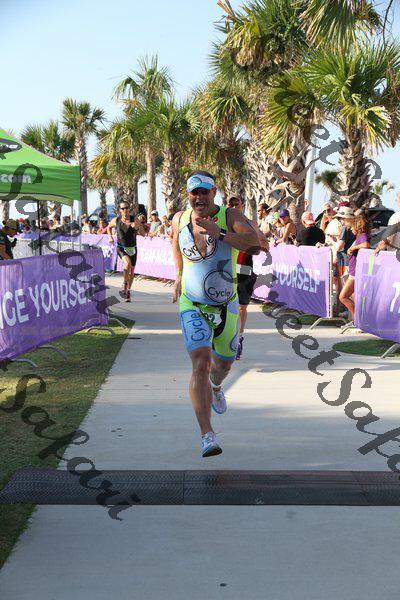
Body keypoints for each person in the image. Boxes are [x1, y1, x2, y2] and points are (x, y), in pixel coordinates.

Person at [172, 171, 260, 457]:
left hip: (227, 306)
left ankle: (217, 386)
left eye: (205, 192)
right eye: (194, 192)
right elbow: (175, 243)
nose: (199, 197)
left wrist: (219, 233)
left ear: (214, 192)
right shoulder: (179, 218)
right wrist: (178, 276)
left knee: (222, 366)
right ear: (188, 194)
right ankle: (207, 435)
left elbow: (256, 245)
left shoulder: (230, 215)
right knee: (200, 362)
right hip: (192, 304)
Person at [227, 195, 269, 360]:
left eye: (237, 204)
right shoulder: (221, 221)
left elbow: (264, 242)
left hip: (244, 270)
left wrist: (259, 245)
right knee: (223, 306)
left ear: (242, 206)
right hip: (225, 270)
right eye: (231, 204)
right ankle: (225, 339)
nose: (234, 207)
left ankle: (239, 338)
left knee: (241, 308)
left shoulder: (251, 224)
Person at [107, 202, 145, 302]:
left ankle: (128, 291)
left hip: (133, 248)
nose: (125, 210)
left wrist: (138, 226)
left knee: (132, 271)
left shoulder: (134, 219)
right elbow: (108, 228)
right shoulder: (116, 220)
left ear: (129, 209)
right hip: (121, 248)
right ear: (120, 210)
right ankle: (124, 282)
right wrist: (110, 237)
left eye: (127, 208)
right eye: (123, 208)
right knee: (127, 264)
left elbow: (143, 234)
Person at [339, 214, 371, 322]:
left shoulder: (362, 235)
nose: (351, 229)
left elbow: (366, 245)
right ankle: (357, 320)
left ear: (357, 226)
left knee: (343, 297)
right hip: (353, 271)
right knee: (351, 298)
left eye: (352, 227)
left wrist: (353, 247)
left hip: (356, 273)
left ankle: (358, 320)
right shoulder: (359, 236)